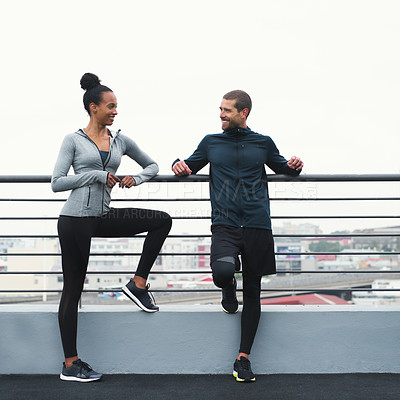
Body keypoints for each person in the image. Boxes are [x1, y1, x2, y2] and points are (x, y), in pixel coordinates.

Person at [172, 90, 303, 383]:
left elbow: (282, 168)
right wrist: (177, 165)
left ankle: (243, 358)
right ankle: (228, 286)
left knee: (254, 292)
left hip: (258, 225)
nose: (221, 114)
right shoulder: (211, 142)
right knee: (221, 270)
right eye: (220, 109)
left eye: (226, 110)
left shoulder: (263, 143)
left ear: (243, 113)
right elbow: (188, 167)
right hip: (225, 224)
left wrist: (294, 167)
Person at [52, 73, 172, 382]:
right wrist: (93, 175)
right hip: (76, 220)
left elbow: (153, 166)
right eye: (110, 106)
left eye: (116, 106)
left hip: (104, 215)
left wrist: (137, 178)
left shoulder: (120, 139)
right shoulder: (73, 140)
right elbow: (57, 182)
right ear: (93, 108)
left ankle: (138, 283)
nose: (115, 111)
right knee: (73, 288)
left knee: (161, 220)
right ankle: (71, 363)